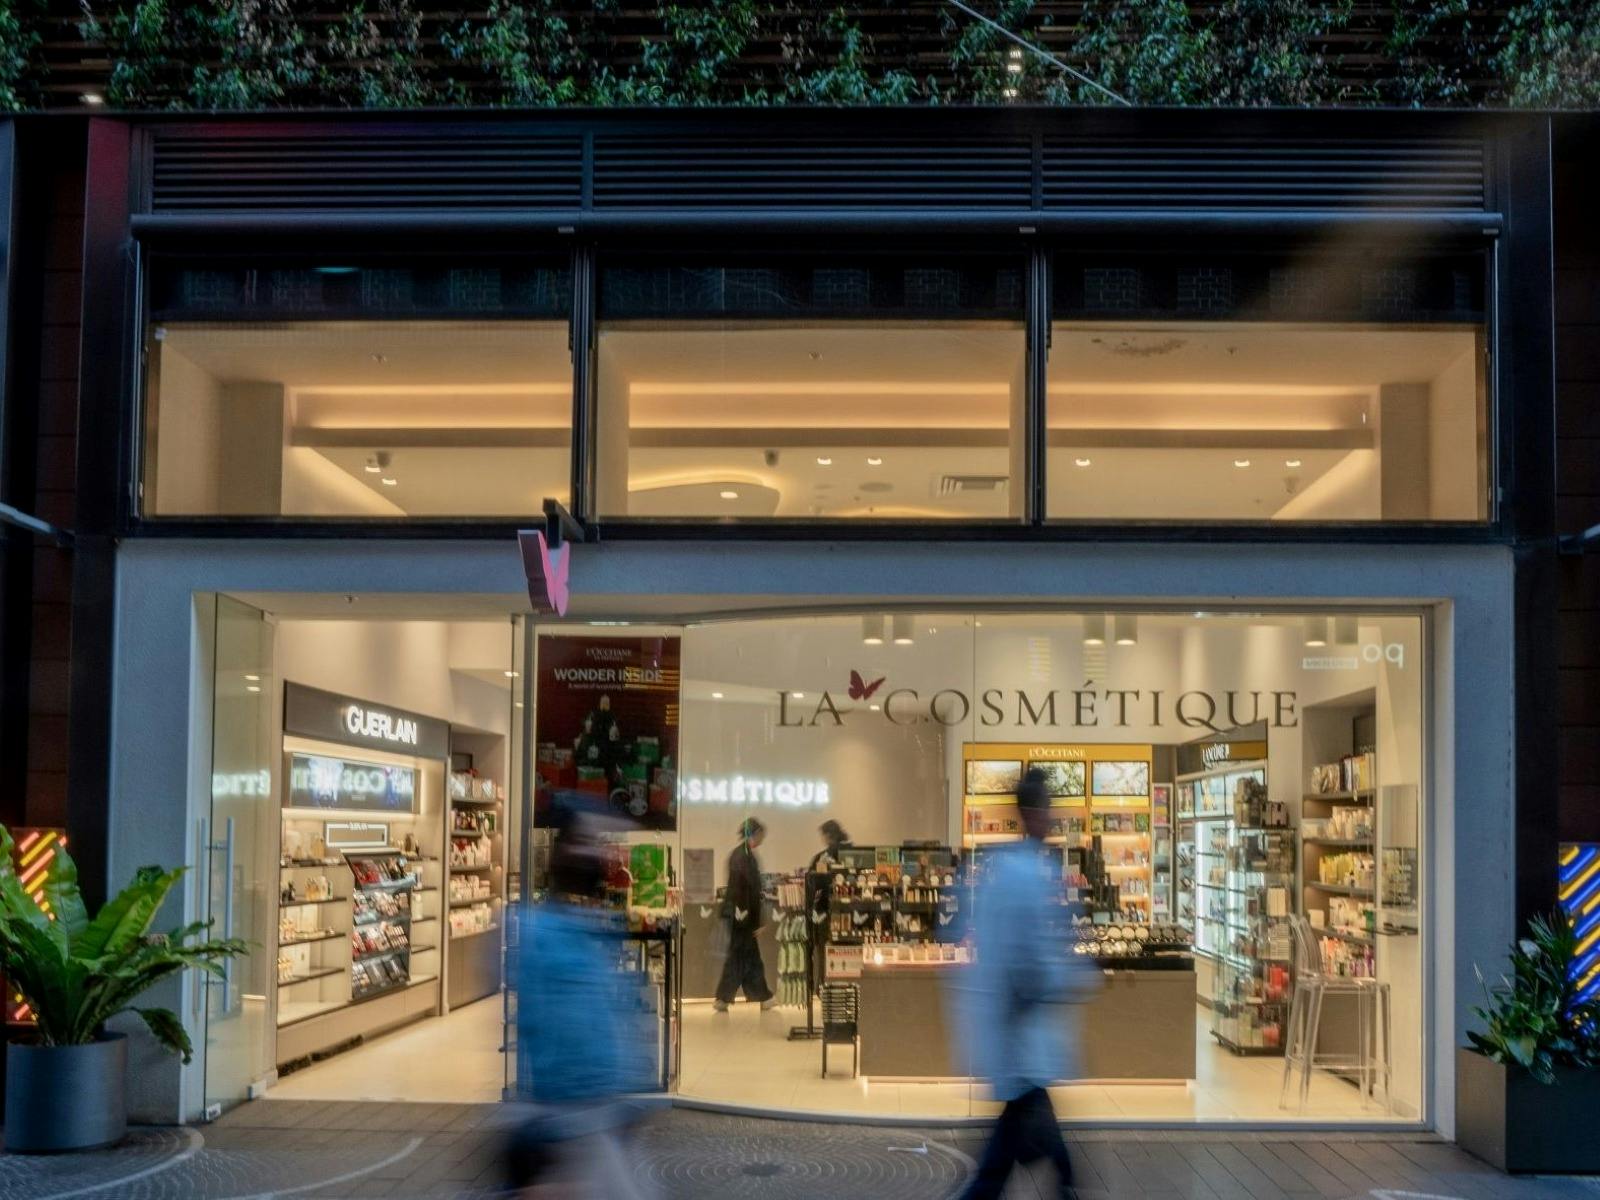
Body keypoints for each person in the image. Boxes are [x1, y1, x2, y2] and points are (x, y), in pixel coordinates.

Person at [954, 768, 1098, 1200]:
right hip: (1020, 1022)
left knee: (1022, 1119)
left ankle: (1063, 1183)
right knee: (1022, 1118)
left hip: (1013, 1023)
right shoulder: (1030, 873)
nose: (1052, 818)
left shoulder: (1010, 869)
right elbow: (1029, 957)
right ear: (1034, 813)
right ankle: (1062, 1185)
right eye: (1049, 809)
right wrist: (1071, 977)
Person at [508, 803, 656, 1199]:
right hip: (576, 1107)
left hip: (579, 1106)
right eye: (588, 844)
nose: (602, 856)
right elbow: (575, 1023)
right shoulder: (554, 935)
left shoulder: (558, 932)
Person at [714, 817, 776, 1012]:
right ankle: (726, 998)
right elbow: (747, 891)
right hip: (742, 917)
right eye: (761, 835)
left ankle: (761, 996)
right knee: (740, 957)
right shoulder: (744, 857)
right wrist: (755, 920)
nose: (762, 839)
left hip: (740, 916)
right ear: (754, 833)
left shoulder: (741, 854)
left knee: (747, 958)